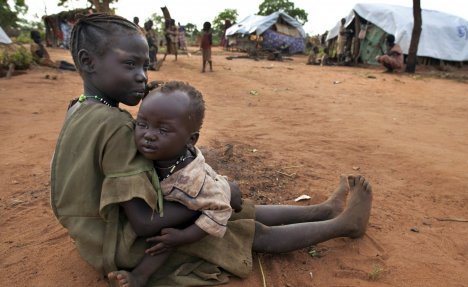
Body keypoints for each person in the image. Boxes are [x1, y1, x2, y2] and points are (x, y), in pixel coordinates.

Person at [51, 13, 373, 287]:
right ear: (87, 62)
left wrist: (213, 199)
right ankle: (344, 225)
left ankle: (323, 210)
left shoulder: (78, 108)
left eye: (145, 65)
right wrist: (214, 198)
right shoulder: (118, 127)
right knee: (248, 231)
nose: (142, 76)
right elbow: (145, 224)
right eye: (130, 64)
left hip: (92, 235)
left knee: (233, 208)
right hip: (124, 244)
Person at [108, 81, 244, 286]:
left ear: (191, 139)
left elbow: (218, 208)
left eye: (163, 130)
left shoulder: (191, 180)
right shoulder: (161, 153)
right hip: (197, 196)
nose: (149, 135)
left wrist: (184, 237)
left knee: (169, 235)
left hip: (212, 197)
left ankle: (139, 276)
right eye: (142, 124)